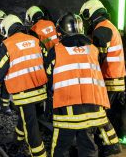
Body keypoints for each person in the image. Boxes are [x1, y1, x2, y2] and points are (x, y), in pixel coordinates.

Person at [46, 13, 120, 157]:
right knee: (88, 146)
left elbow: (49, 78)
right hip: (92, 107)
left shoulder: (55, 50)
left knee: (60, 148)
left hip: (66, 111)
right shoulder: (93, 49)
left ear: (60, 32)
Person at [0, 14, 47, 157]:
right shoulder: (35, 40)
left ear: (7, 29)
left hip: (23, 93)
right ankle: (16, 142)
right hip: (41, 90)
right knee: (27, 119)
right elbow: (47, 60)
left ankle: (39, 154)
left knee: (31, 127)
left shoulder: (7, 44)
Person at [80, 0, 126, 136]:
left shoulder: (102, 29)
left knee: (100, 116)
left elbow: (97, 57)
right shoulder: (107, 26)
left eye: (86, 16)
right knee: (105, 116)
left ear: (91, 11)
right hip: (113, 78)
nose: (86, 20)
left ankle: (105, 146)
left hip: (110, 79)